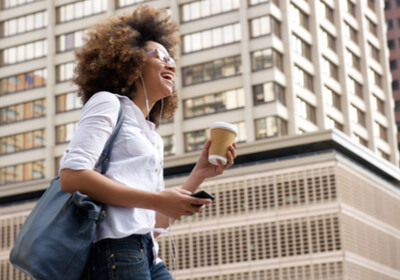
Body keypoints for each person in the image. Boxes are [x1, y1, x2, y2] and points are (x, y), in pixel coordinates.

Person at [59, 5, 237, 280]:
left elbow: (155, 224)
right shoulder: (107, 103)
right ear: (130, 60)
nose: (171, 64)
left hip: (149, 254)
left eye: (171, 58)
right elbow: (71, 176)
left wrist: (199, 173)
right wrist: (158, 200)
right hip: (115, 250)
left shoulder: (152, 136)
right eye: (159, 55)